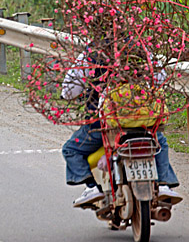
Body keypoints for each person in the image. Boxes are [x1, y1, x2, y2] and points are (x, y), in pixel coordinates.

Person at [61, 48, 182, 207]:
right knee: (159, 144)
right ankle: (164, 183)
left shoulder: (90, 53)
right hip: (141, 119)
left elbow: (70, 92)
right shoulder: (142, 50)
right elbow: (160, 79)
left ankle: (92, 188)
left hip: (106, 123)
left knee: (70, 149)